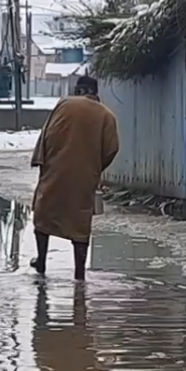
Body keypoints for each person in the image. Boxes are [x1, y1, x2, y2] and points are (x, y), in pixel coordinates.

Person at [29, 75, 120, 280]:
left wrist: (43, 161)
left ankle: (42, 260)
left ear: (78, 90)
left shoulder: (63, 104)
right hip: (85, 174)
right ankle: (79, 272)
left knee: (44, 214)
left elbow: (46, 135)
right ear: (95, 93)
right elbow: (112, 149)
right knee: (80, 220)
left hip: (55, 169)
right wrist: (96, 167)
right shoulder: (106, 115)